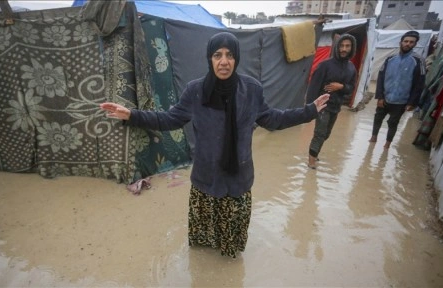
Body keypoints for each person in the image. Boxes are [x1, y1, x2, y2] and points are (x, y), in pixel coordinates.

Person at [100, 32, 329, 258]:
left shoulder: (251, 90)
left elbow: (273, 119)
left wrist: (308, 111)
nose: (224, 61)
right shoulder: (195, 91)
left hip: (238, 177)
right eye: (217, 55)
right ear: (209, 58)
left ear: (236, 59)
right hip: (206, 177)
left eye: (230, 55)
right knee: (202, 245)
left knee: (230, 247)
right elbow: (169, 119)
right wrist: (132, 115)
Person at [306, 34, 357, 169]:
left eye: (347, 46)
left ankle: (315, 153)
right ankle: (311, 161)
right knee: (320, 133)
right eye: (341, 46)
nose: (344, 49)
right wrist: (310, 108)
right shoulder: (325, 65)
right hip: (322, 106)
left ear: (352, 48)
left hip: (336, 106)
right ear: (337, 47)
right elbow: (313, 87)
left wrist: (341, 87)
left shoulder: (351, 68)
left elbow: (351, 88)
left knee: (326, 134)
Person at [369, 30, 426, 149]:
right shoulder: (390, 58)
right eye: (405, 41)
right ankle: (373, 138)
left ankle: (387, 145)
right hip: (385, 97)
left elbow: (419, 84)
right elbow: (381, 77)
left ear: (415, 44)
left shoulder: (418, 61)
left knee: (393, 123)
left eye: (411, 42)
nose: (408, 44)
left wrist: (411, 102)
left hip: (401, 100)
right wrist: (379, 96)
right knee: (378, 117)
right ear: (400, 42)